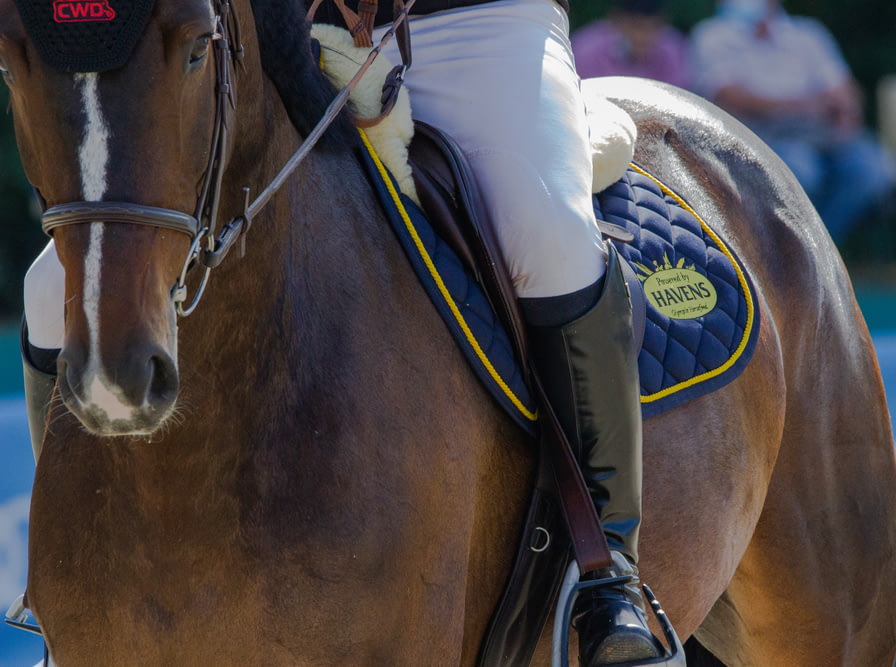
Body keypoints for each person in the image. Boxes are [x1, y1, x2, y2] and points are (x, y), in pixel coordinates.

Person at [19, 0, 670, 664]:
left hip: (476, 27)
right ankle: (71, 577)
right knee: (50, 292)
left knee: (548, 234)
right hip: (288, 36)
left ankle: (605, 567)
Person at [689, 0, 895, 244]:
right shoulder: (713, 35)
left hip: (824, 134)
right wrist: (803, 105)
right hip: (762, 138)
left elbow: (844, 91)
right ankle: (795, 254)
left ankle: (819, 248)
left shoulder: (808, 34)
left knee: (875, 170)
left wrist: (845, 111)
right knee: (803, 171)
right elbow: (727, 95)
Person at [571, 0, 691, 88]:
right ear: (617, 20)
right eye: (637, 27)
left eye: (653, 27)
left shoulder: (673, 50)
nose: (644, 37)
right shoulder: (586, 50)